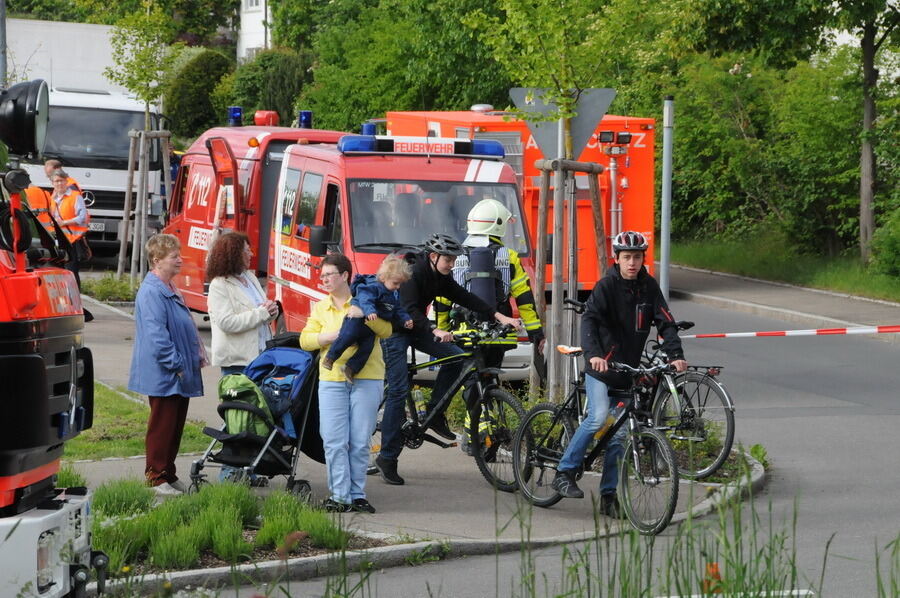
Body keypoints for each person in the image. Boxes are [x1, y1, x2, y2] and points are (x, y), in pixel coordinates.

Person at [551, 230, 687, 518]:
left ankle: (609, 496)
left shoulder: (648, 287)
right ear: (617, 258)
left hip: (628, 371)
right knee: (598, 417)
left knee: (620, 437)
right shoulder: (606, 286)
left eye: (637, 257)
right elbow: (589, 320)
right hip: (601, 369)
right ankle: (564, 472)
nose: (632, 263)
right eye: (627, 257)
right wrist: (595, 355)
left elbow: (666, 322)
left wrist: (676, 356)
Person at [375, 233, 521, 486]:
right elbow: (408, 309)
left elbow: (466, 297)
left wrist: (500, 316)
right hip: (395, 331)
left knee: (457, 359)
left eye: (454, 260)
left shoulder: (440, 276)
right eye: (448, 260)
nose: (452, 265)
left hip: (417, 328)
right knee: (399, 391)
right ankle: (387, 458)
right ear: (433, 257)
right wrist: (435, 330)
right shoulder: (414, 272)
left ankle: (435, 411)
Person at [433, 198, 545, 453]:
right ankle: (481, 430)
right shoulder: (509, 257)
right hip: (498, 333)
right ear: (498, 226)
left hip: (463, 334)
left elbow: (441, 299)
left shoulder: (455, 256)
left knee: (472, 380)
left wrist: (441, 331)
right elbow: (525, 298)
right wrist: (536, 332)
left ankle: (476, 432)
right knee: (490, 378)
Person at [300, 254, 392, 513]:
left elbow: (387, 330)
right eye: (322, 275)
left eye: (329, 274)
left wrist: (364, 314)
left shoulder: (367, 297)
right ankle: (340, 496)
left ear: (344, 275)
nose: (324, 279)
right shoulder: (321, 307)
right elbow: (305, 340)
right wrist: (331, 336)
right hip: (331, 380)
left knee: (360, 440)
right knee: (333, 439)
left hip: (368, 377)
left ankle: (357, 494)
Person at [128, 234, 207, 496]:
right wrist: (177, 364)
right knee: (162, 425)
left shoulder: (170, 288)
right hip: (166, 372)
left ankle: (168, 474)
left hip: (178, 371)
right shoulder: (152, 292)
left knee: (174, 425)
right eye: (174, 256)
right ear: (157, 260)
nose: (179, 260)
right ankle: (156, 477)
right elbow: (157, 337)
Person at [321, 254, 413, 383]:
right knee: (347, 336)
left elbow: (397, 309)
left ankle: (351, 368)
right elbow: (365, 298)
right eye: (395, 283)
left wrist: (405, 319)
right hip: (356, 321)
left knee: (367, 348)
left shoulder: (393, 294)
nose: (397, 287)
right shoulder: (373, 286)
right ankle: (331, 357)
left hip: (369, 328)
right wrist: (369, 311)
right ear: (384, 277)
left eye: (400, 284)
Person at [207, 232, 279, 377]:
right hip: (237, 363)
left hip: (261, 356)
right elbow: (226, 322)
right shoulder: (219, 285)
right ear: (233, 254)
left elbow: (262, 310)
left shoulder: (250, 277)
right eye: (247, 251)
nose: (251, 254)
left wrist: (272, 311)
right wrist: (263, 312)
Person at [49, 168, 90, 288]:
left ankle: (76, 299)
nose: (59, 184)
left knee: (71, 272)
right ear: (52, 183)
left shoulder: (75, 196)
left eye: (61, 181)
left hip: (72, 240)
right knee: (59, 271)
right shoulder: (53, 198)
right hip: (58, 240)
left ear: (66, 182)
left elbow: (82, 218)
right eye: (56, 181)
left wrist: (64, 222)